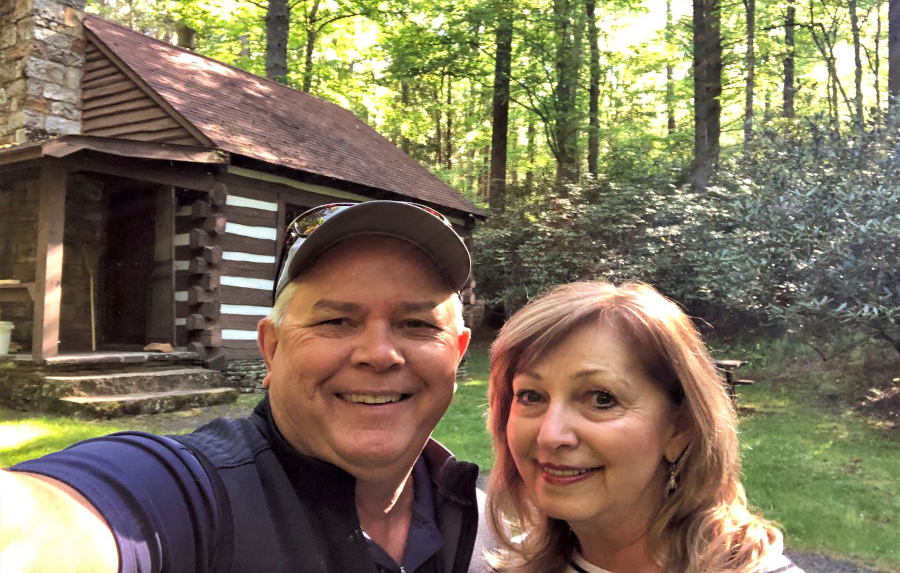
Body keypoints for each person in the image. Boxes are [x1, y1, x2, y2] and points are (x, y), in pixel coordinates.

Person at [1, 200, 490, 573]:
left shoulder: (491, 521)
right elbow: (39, 524)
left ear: (459, 351)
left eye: (418, 325)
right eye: (338, 320)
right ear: (272, 349)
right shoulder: (193, 493)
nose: (380, 354)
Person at [485, 281, 802, 573]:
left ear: (680, 427)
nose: (550, 435)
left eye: (601, 398)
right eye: (530, 395)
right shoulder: (514, 564)